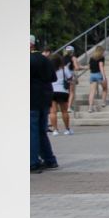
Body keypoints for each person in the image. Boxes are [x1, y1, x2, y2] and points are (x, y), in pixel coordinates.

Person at [30, 36, 59, 172]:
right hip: (44, 99)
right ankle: (49, 159)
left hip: (31, 99)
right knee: (41, 131)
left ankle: (33, 161)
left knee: (32, 132)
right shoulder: (44, 60)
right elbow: (53, 77)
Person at [48, 54, 74, 136]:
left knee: (53, 112)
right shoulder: (64, 68)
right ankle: (67, 129)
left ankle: (55, 130)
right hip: (62, 91)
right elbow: (70, 78)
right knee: (64, 111)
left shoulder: (48, 69)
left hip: (51, 91)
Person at [86, 45, 109, 113]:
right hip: (99, 74)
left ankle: (90, 107)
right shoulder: (101, 58)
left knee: (92, 92)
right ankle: (103, 102)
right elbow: (101, 67)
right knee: (105, 88)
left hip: (92, 75)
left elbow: (89, 67)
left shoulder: (92, 58)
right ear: (101, 51)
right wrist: (104, 77)